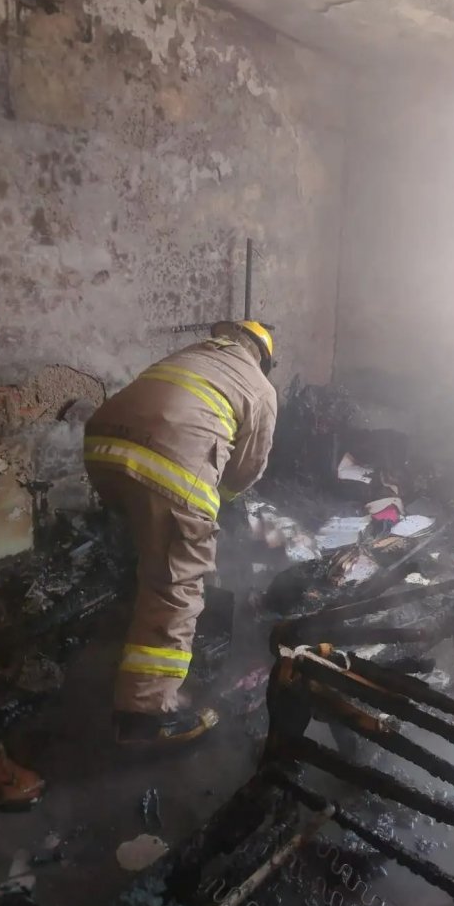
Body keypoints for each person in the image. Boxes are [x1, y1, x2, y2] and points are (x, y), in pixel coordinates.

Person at [84, 320, 277, 747]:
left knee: (142, 543)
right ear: (263, 357)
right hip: (169, 468)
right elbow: (247, 469)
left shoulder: (191, 357)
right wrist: (214, 503)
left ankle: (116, 631)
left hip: (100, 447)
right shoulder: (260, 387)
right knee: (175, 585)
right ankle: (145, 714)